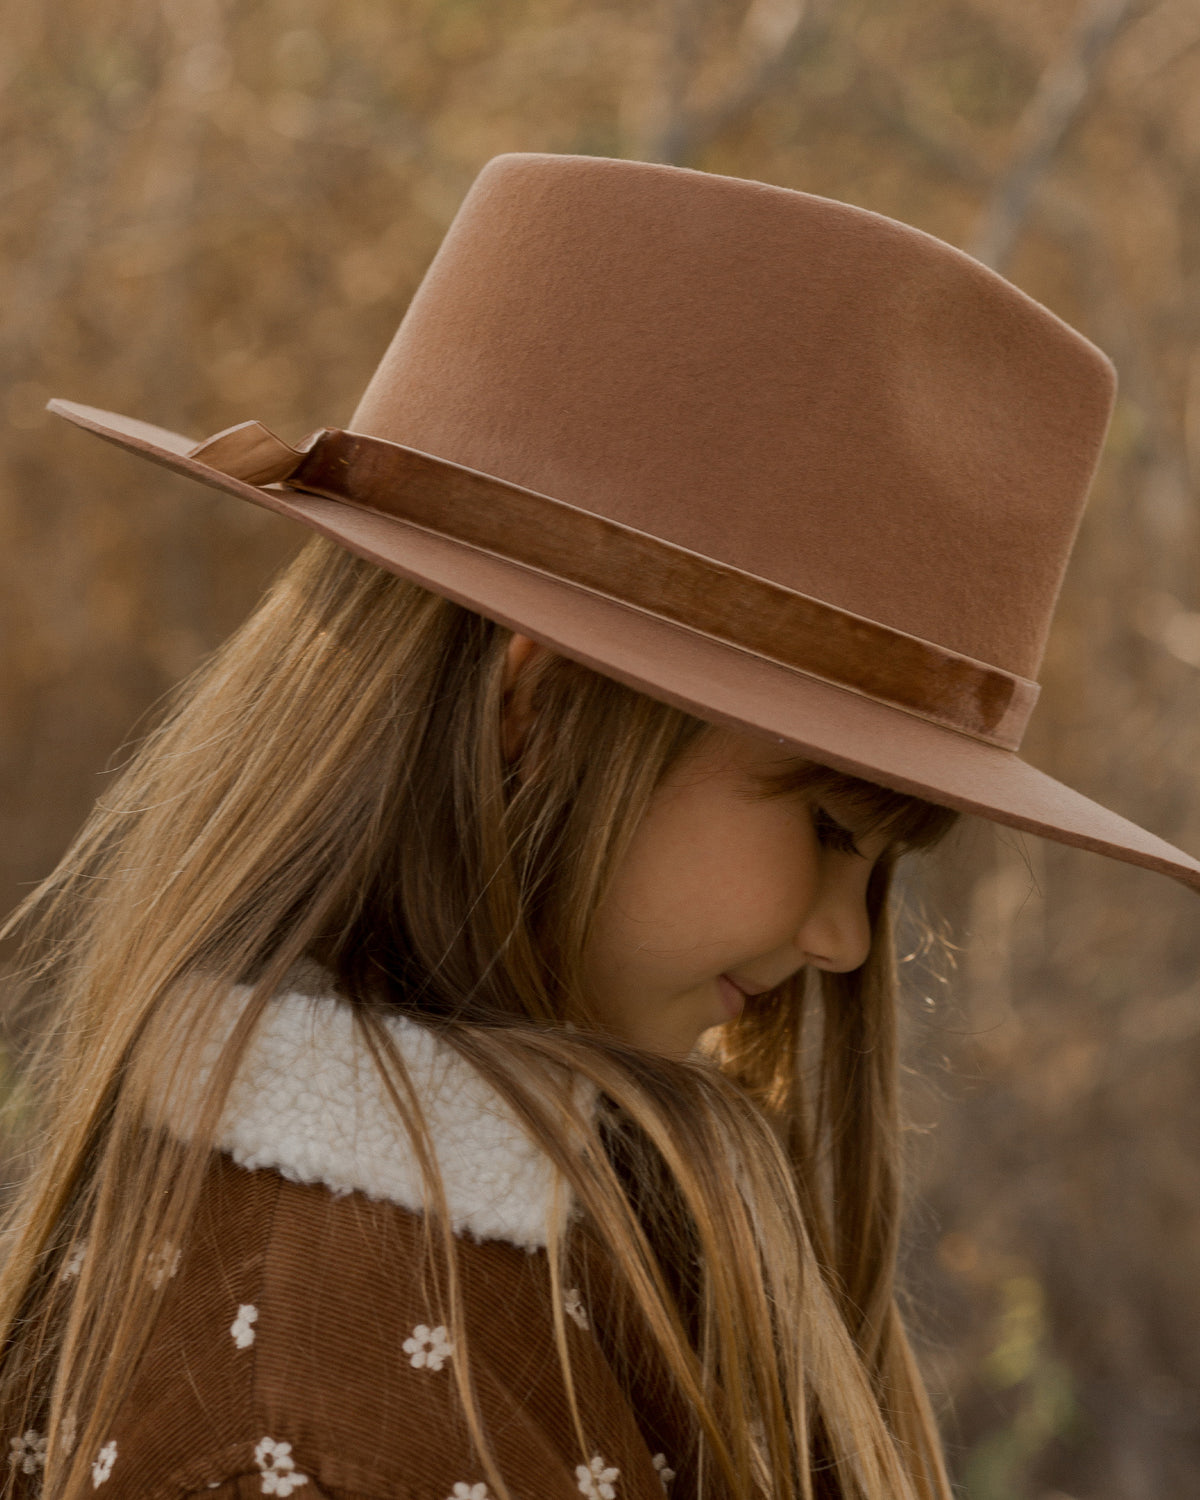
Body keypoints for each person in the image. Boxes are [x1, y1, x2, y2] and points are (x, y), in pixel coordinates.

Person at [1, 153, 1196, 1500]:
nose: (845, 941)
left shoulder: (494, 1280)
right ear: (540, 711)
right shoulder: (319, 1392)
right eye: (825, 824)